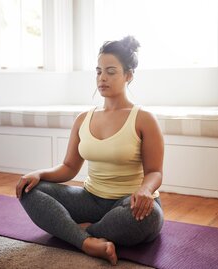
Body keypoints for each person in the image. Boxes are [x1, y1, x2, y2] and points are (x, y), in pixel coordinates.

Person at [16, 35, 164, 265]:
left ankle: (75, 232)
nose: (102, 78)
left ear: (129, 75)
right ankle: (88, 241)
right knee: (28, 190)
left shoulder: (144, 119)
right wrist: (39, 174)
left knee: (150, 217)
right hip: (90, 199)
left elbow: (155, 172)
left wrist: (145, 190)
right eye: (98, 71)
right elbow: (68, 168)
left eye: (111, 71)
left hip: (129, 203)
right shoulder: (83, 119)